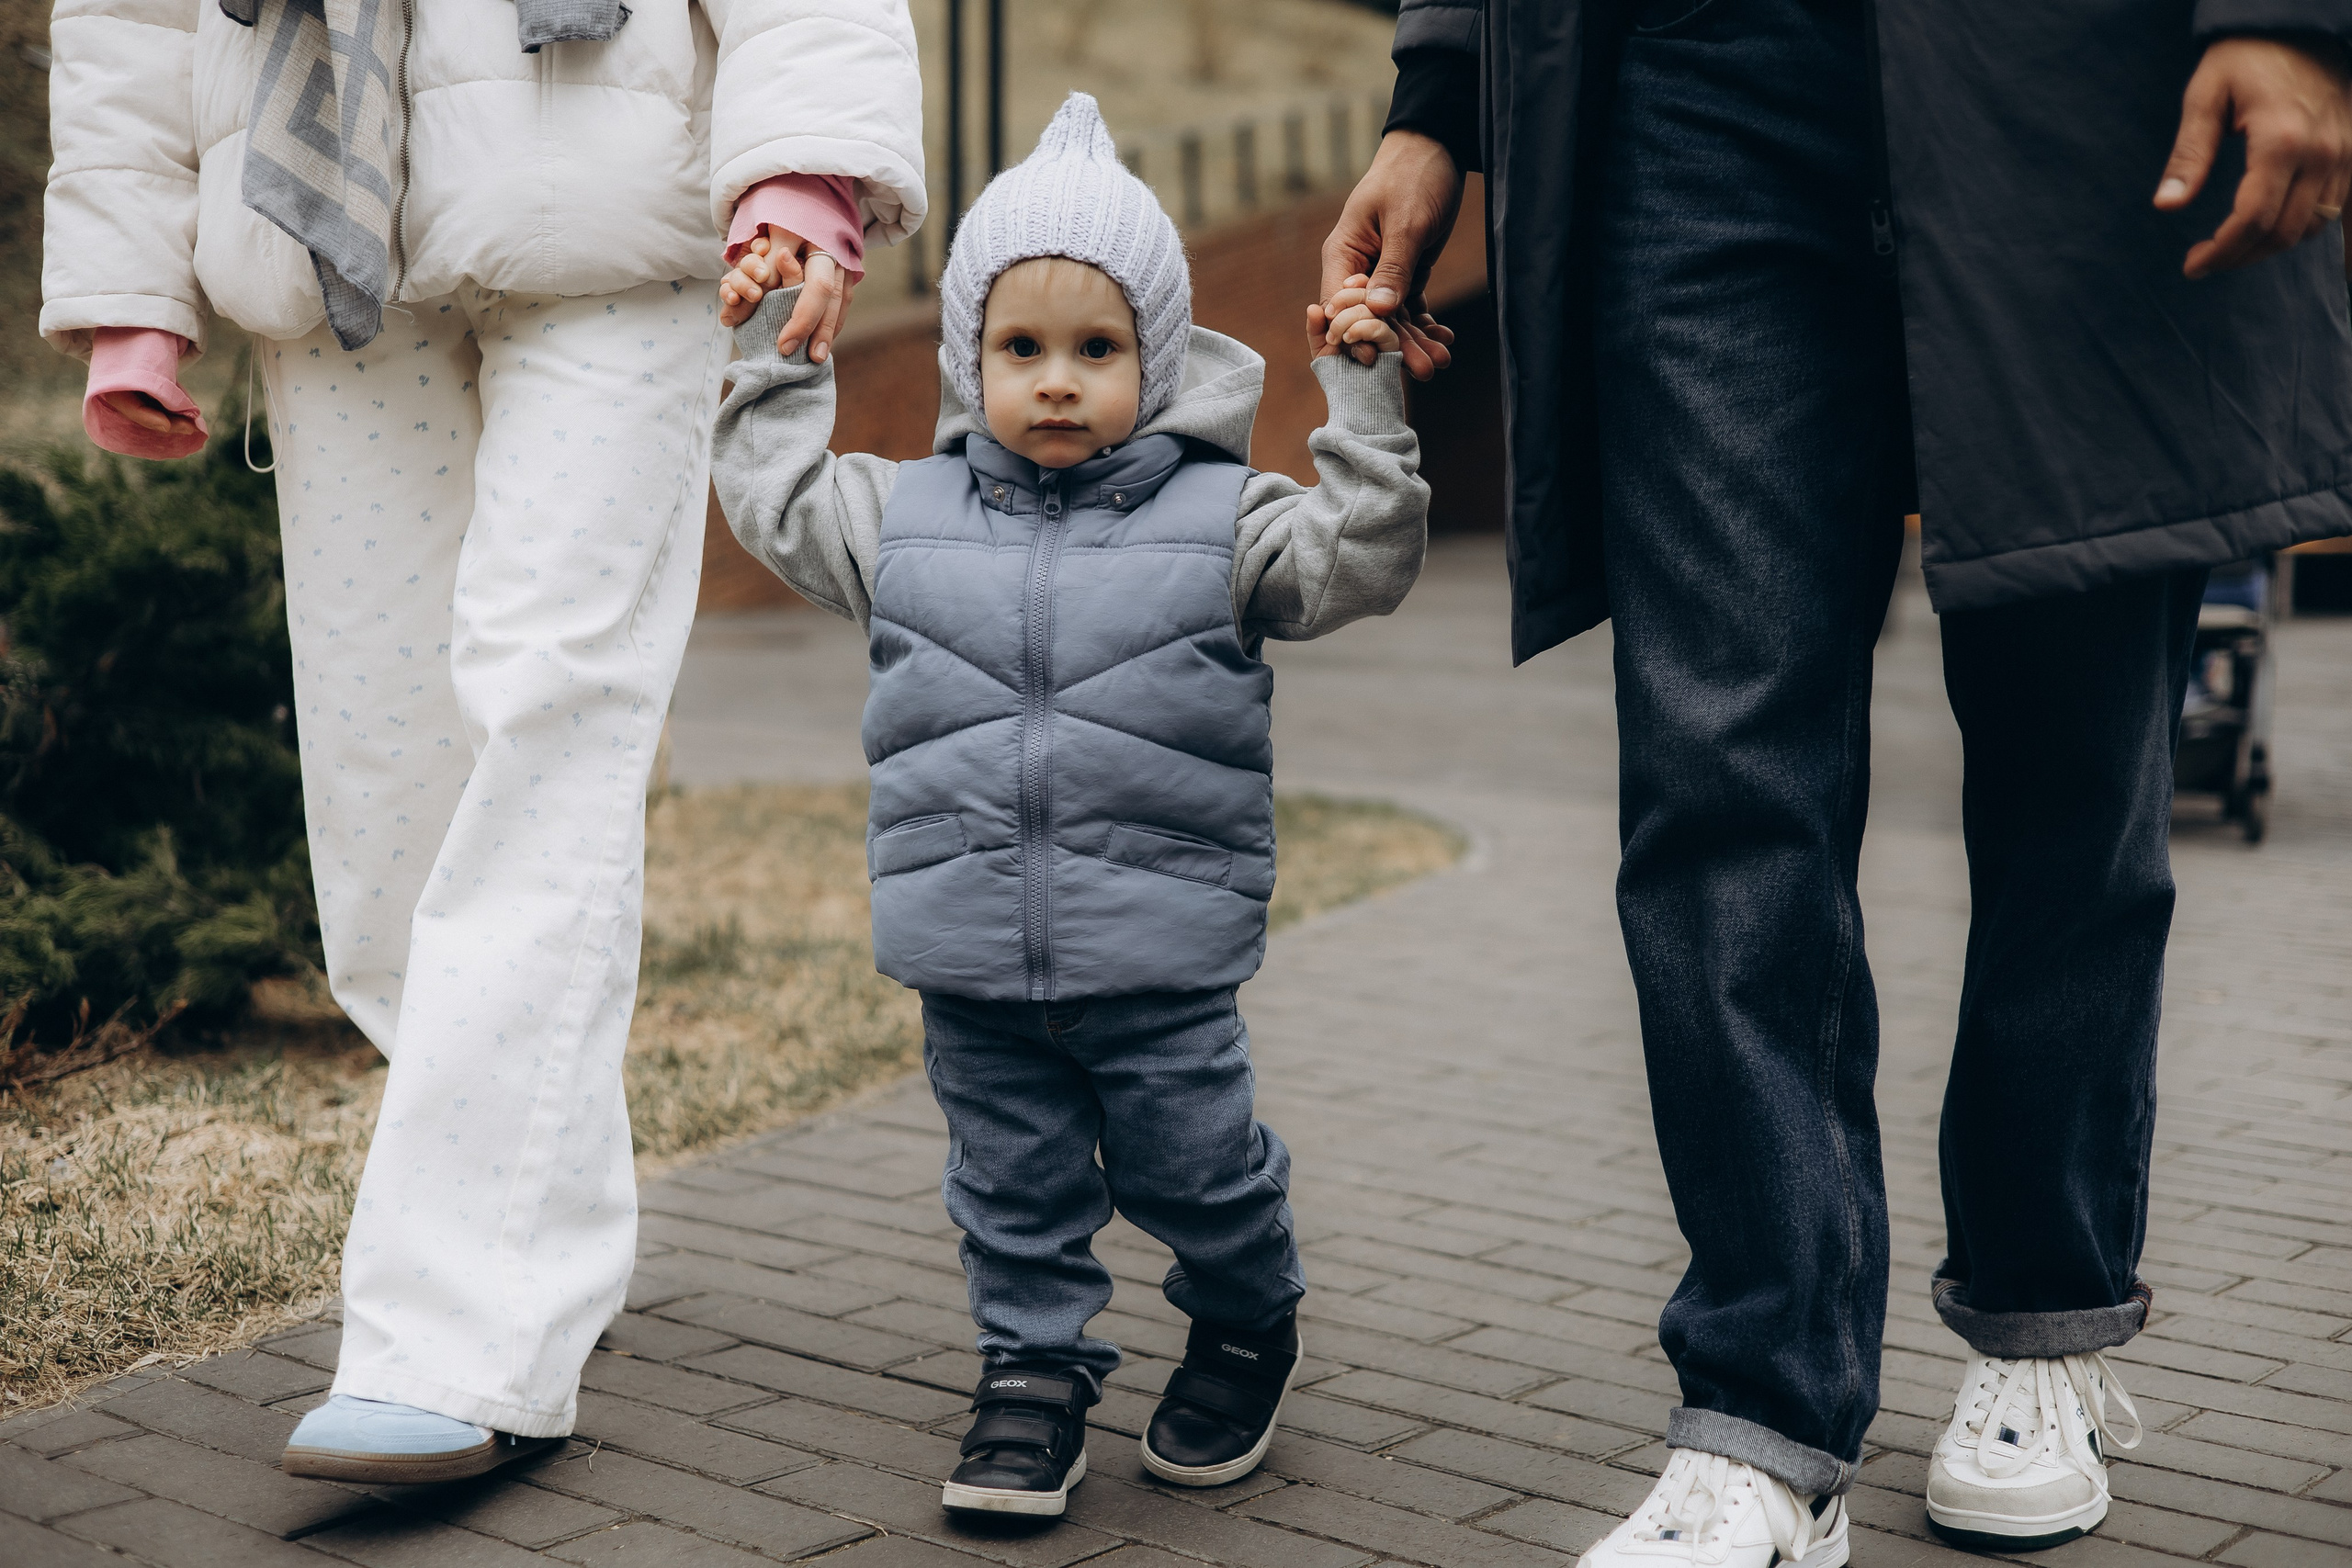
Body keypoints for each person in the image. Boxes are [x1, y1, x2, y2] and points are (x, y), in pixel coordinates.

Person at [1321, 1, 2352, 1562]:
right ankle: (1766, 1420)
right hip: (1689, 87)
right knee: (1713, 770)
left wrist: (2286, 16)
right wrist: (1444, 85)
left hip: (2074, 77)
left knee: (2075, 763)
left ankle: (2038, 1332)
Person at [41, 0, 923, 1483]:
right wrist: (135, 283)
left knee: (544, 737)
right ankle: (522, 1226)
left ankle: (457, 1339)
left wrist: (800, 162)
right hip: (325, 229)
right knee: (388, 801)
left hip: (612, 222)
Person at [708, 92, 1430, 1518]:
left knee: (1197, 1173)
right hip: (972, 962)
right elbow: (774, 500)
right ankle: (1031, 1376)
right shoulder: (900, 516)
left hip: (1160, 963)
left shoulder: (1224, 522)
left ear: (1156, 359)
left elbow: (1363, 559)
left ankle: (1244, 1315)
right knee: (1012, 1191)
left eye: (1095, 350)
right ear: (972, 359)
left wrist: (1362, 398)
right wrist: (766, 349)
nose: (1054, 380)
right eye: (1020, 347)